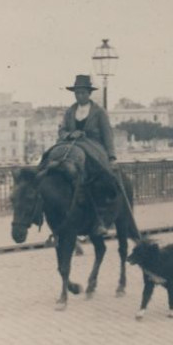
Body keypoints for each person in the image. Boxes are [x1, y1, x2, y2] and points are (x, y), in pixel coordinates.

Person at [52, 73, 123, 235]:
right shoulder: (70, 111)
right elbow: (62, 130)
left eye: (83, 92)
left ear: (89, 94)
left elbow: (107, 135)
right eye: (77, 93)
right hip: (72, 146)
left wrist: (111, 157)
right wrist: (70, 135)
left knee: (95, 175)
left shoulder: (99, 112)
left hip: (94, 147)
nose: (80, 96)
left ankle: (101, 217)